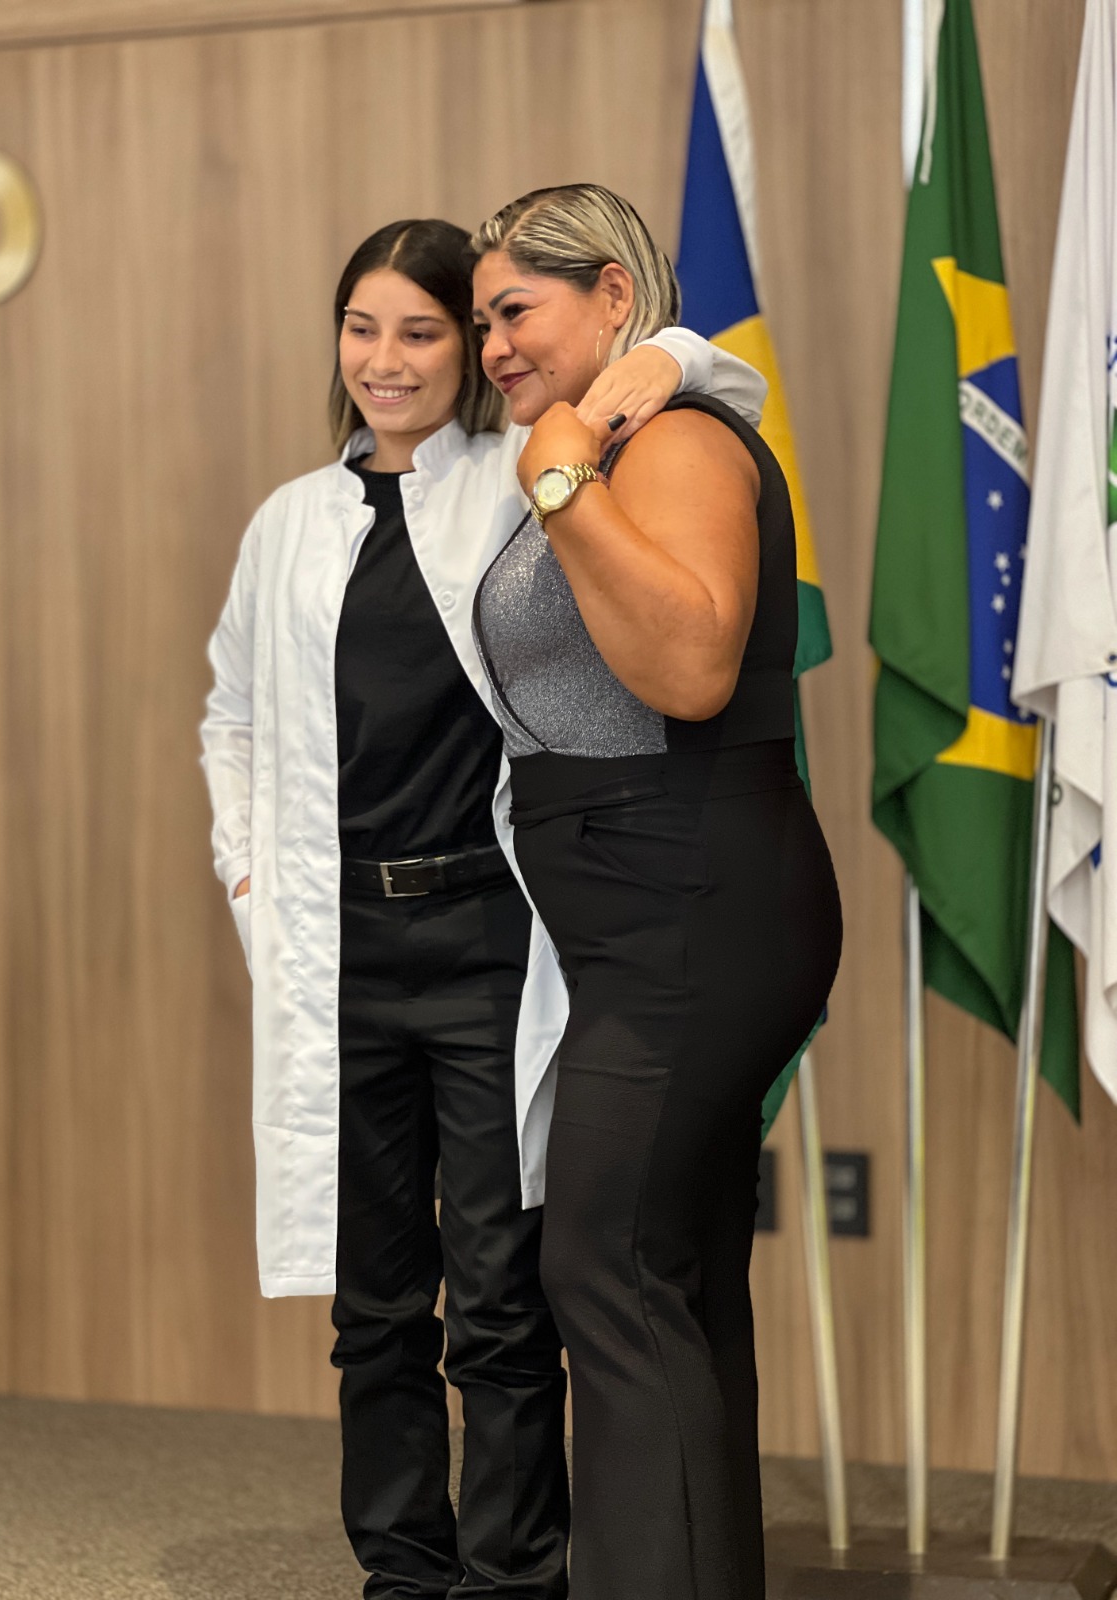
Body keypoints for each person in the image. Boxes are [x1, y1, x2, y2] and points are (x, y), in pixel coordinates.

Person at [199, 215, 765, 1600]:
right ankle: (403, 1572)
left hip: (490, 945)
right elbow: (231, 716)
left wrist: (669, 355)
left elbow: (719, 383)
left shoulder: (517, 481)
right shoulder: (290, 523)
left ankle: (514, 1577)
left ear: (471, 348)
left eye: (423, 330)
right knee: (376, 1299)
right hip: (341, 950)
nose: (386, 360)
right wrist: (250, 871)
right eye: (362, 329)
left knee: (503, 1296)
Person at [471, 184, 843, 1600]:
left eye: (517, 310)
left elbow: (689, 666)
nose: (493, 346)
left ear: (614, 297)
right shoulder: (605, 429)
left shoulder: (671, 441)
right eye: (484, 320)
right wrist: (568, 452)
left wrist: (567, 479)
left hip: (689, 902)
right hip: (641, 912)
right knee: (665, 1277)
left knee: (609, 1268)